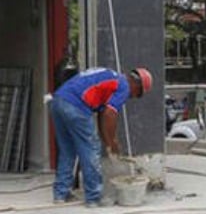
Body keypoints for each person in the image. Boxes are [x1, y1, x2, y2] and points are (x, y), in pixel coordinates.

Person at [49, 67, 152, 207]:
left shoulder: (111, 77)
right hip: (76, 106)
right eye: (138, 94)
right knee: (91, 149)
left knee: (68, 149)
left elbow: (102, 115)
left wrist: (108, 143)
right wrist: (114, 141)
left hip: (58, 101)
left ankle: (61, 194)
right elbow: (110, 114)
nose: (132, 97)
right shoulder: (123, 85)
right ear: (137, 85)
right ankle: (93, 197)